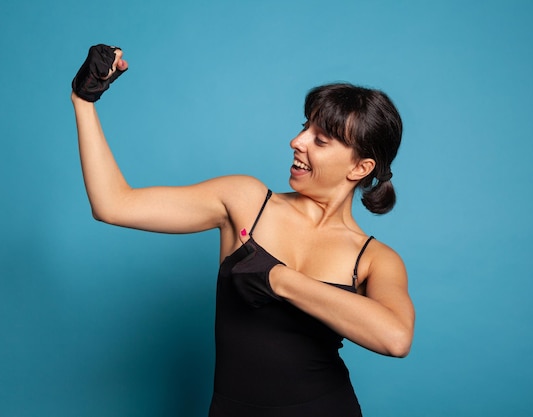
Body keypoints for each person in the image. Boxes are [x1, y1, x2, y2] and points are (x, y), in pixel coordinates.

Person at [71, 45, 414, 417]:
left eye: (320, 140)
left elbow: (395, 338)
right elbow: (113, 205)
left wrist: (278, 278)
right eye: (305, 127)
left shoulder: (375, 259)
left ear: (360, 168)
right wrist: (84, 100)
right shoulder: (245, 201)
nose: (296, 142)